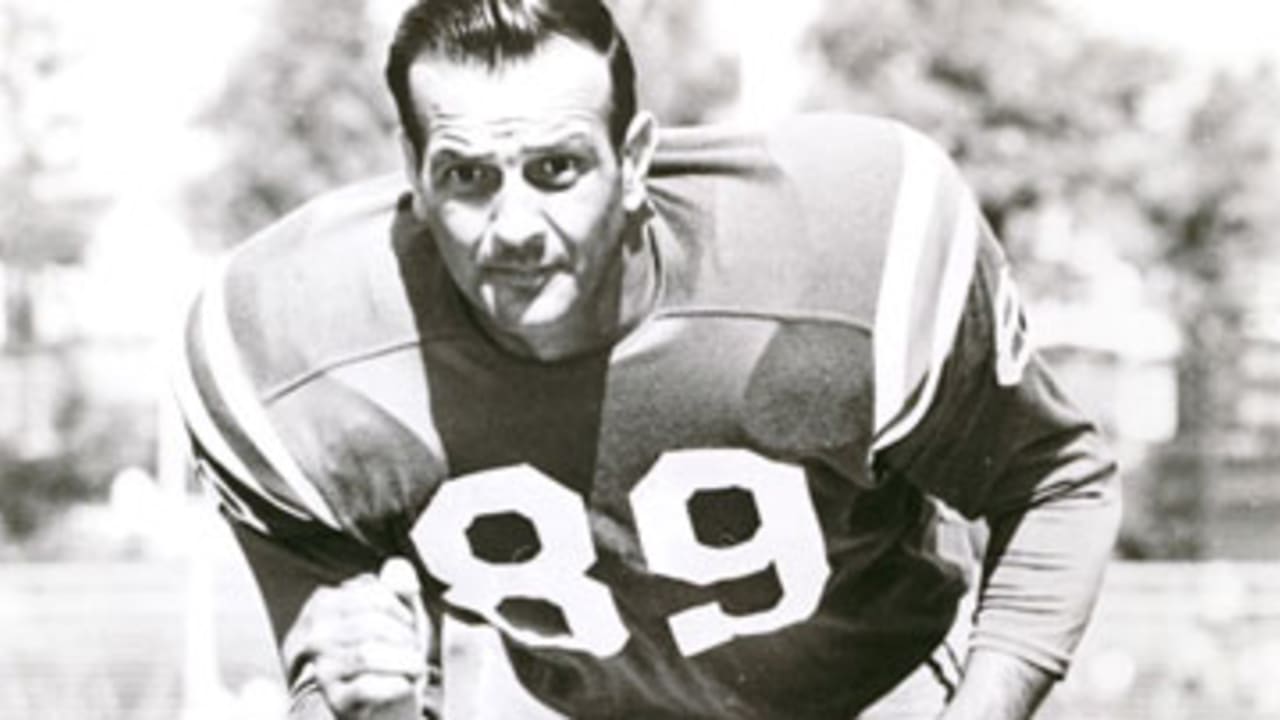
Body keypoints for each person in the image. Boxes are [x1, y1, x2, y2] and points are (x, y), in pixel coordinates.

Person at [172, 0, 1121, 717]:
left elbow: (1056, 483)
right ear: (413, 179)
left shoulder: (834, 254)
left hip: (880, 694)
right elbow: (355, 674)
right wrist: (351, 692)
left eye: (557, 169)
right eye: (467, 177)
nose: (514, 229)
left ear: (633, 162)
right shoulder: (299, 352)